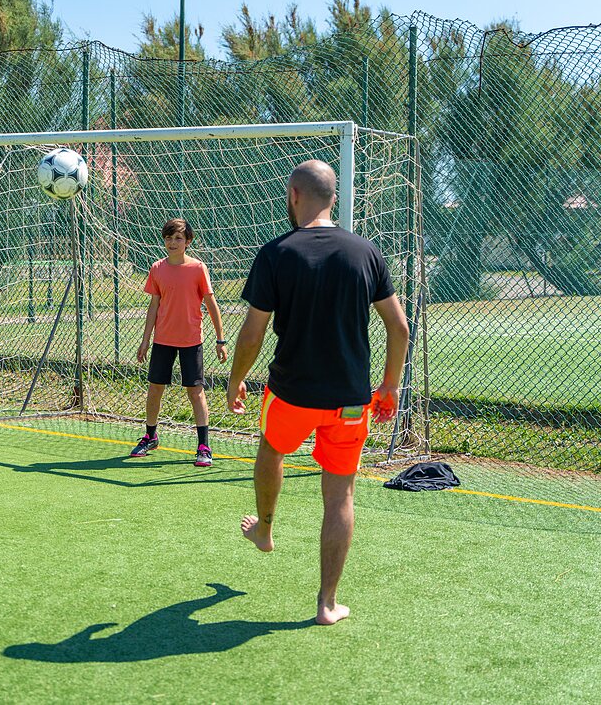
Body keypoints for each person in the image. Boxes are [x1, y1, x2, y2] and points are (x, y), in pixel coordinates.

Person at [227, 160, 409, 625]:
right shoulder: (366, 252)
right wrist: (389, 386)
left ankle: (265, 529)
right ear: (333, 198)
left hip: (292, 394)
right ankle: (327, 604)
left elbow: (251, 334)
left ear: (293, 195)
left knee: (271, 450)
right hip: (351, 398)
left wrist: (234, 379)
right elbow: (400, 328)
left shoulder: (276, 253)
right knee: (340, 496)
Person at [133, 218, 227, 468]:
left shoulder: (197, 268)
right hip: (162, 340)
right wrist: (145, 341)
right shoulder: (157, 268)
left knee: (195, 392)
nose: (172, 243)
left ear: (188, 242)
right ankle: (150, 436)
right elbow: (153, 306)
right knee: (155, 389)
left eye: (178, 238)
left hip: (190, 341)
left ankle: (203, 445)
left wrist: (221, 339)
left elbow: (211, 304)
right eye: (168, 237)